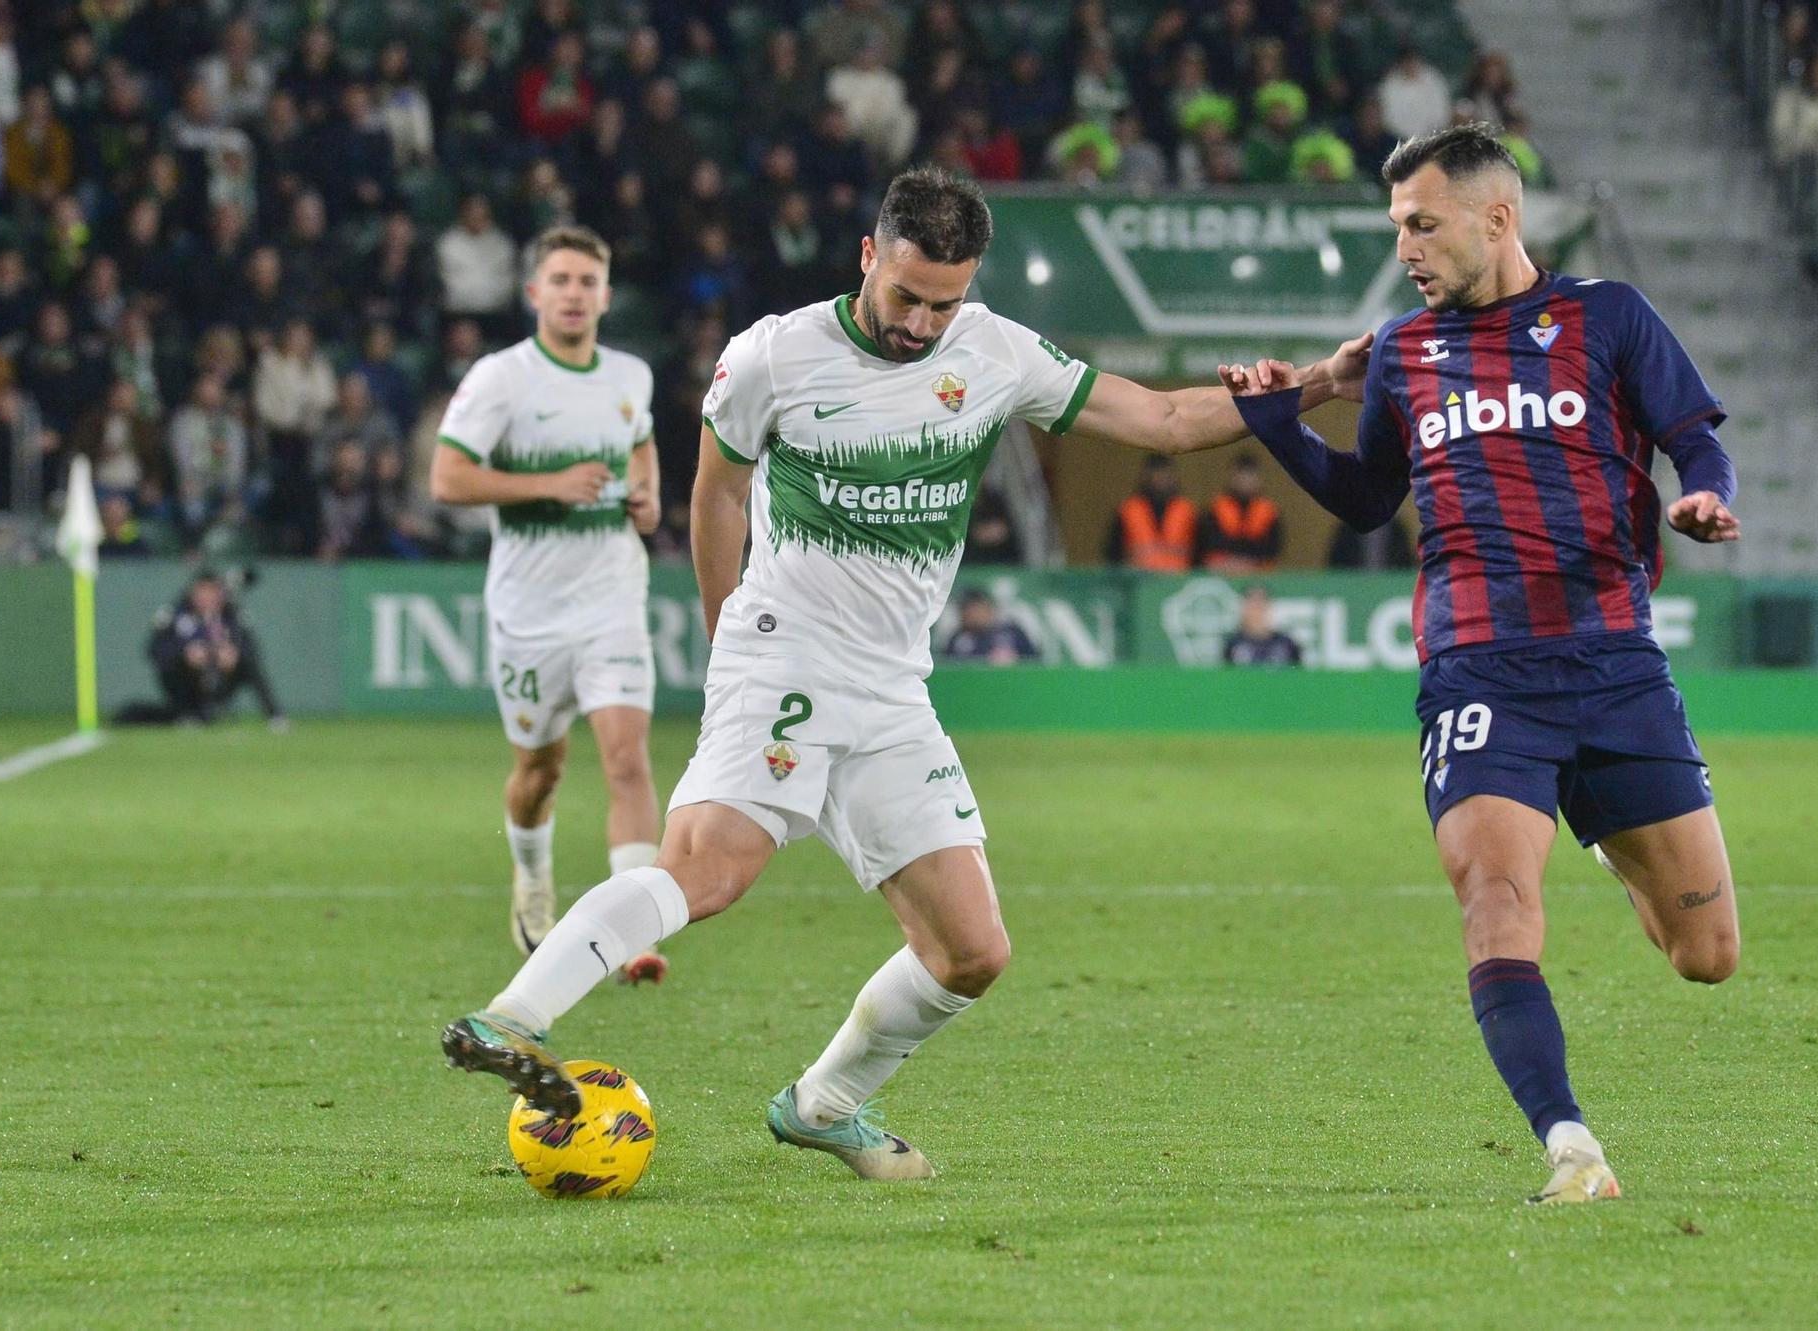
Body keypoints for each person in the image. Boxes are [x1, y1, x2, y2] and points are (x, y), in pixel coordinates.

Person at [439, 166, 1368, 1178]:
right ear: (868, 256)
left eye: (945, 300)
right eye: (906, 296)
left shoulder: (995, 351)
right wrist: (726, 642)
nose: (922, 323)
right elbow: (716, 494)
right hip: (784, 644)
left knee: (972, 949)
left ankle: (824, 1100)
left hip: (891, 686)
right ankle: (512, 1016)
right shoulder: (772, 355)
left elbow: (1164, 421)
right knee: (709, 866)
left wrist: (1316, 382)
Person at [1222, 123, 1742, 1205]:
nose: (1404, 245)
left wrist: (1703, 493)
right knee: (1495, 901)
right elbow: (1369, 496)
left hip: (1613, 662)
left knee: (1704, 953)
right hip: (1477, 672)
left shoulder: (1606, 317)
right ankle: (1569, 1144)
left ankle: (1604, 835)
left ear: (1495, 217)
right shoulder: (1404, 352)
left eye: (1420, 223)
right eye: (1395, 227)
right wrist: (1279, 427)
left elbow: (1693, 434)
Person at [428, 225, 670, 971]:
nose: (573, 294)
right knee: (541, 772)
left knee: (628, 759)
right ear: (534, 293)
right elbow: (447, 478)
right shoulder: (501, 378)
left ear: (605, 294)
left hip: (612, 599)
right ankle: (532, 871)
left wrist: (650, 496)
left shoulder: (630, 375)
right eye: (559, 280)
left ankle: (634, 932)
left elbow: (641, 441)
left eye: (587, 281)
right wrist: (549, 484)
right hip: (530, 611)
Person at [136, 570, 285, 727]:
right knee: (172, 669)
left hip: (222, 679)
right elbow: (153, 649)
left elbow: (251, 647)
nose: (207, 597)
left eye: (212, 591)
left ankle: (275, 716)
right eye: (202, 591)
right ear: (192, 592)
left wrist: (234, 654)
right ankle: (188, 714)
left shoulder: (232, 614)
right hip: (188, 682)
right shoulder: (174, 613)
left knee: (250, 665)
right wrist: (184, 654)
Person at [1107, 453, 1197, 570]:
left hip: (1178, 582)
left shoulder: (1187, 511)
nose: (1160, 479)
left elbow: (1199, 553)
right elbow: (1113, 556)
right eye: (1157, 473)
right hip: (1139, 583)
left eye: (1165, 473)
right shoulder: (1129, 510)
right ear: (1146, 476)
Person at [1200, 452, 1282, 573]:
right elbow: (1209, 544)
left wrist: (1248, 562)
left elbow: (1272, 548)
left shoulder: (1269, 512)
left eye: (1249, 475)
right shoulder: (1216, 509)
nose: (1244, 481)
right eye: (1240, 475)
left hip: (1258, 573)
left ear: (1258, 479)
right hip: (1223, 571)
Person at [942, 588, 1039, 665]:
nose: (972, 614)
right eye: (967, 609)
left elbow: (1035, 661)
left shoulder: (1012, 632)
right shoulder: (958, 639)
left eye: (976, 609)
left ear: (989, 608)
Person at [1222, 584, 1300, 666]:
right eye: (1252, 603)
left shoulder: (1285, 644)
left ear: (1269, 606)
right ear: (1244, 608)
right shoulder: (1233, 644)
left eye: (1261, 603)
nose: (1257, 609)